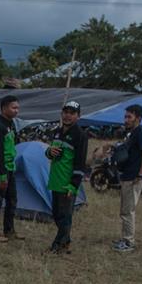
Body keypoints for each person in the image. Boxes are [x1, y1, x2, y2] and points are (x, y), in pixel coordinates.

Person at [45, 100, 88, 254]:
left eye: (72, 113)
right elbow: (49, 152)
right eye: (66, 112)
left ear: (78, 116)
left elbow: (80, 163)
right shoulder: (57, 131)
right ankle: (65, 242)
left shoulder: (80, 135)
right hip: (55, 180)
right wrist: (50, 152)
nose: (68, 116)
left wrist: (73, 185)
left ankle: (57, 246)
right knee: (56, 214)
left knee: (64, 216)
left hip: (67, 182)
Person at [113, 104, 142, 252]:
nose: (126, 120)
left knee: (128, 210)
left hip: (133, 176)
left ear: (138, 118)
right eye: (125, 116)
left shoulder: (141, 132)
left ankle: (129, 242)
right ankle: (125, 238)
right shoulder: (132, 133)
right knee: (125, 209)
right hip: (127, 174)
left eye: (129, 117)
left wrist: (140, 174)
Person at [0, 95, 23, 242]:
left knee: (12, 199)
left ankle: (9, 230)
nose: (16, 111)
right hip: (0, 170)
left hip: (10, 167)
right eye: (14, 108)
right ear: (4, 108)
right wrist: (2, 175)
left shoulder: (10, 124)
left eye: (18, 108)